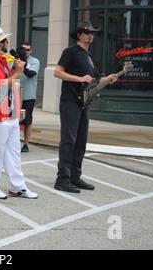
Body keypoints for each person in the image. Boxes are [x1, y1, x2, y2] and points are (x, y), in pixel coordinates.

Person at [53, 21, 118, 193]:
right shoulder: (70, 52)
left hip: (83, 103)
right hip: (70, 101)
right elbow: (57, 72)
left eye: (92, 32)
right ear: (79, 35)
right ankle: (62, 179)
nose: (90, 35)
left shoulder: (89, 56)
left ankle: (75, 177)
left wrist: (109, 78)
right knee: (69, 140)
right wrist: (79, 78)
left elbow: (94, 80)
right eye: (87, 32)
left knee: (80, 141)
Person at [0, 27, 38, 199]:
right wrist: (18, 72)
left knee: (13, 151)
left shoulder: (0, 59)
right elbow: (1, 85)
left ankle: (17, 186)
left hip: (9, 110)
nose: (7, 44)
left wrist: (14, 69)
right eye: (5, 41)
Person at [19, 42, 40, 152]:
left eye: (27, 50)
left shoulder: (35, 61)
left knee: (27, 120)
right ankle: (14, 141)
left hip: (28, 95)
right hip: (16, 93)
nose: (25, 52)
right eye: (23, 49)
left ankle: (26, 144)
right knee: (14, 119)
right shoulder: (15, 60)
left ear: (30, 51)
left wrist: (23, 65)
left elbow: (31, 74)